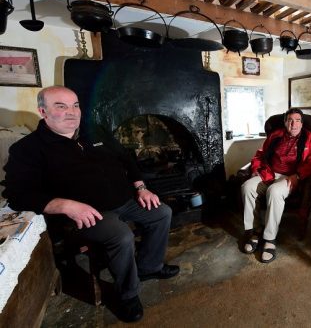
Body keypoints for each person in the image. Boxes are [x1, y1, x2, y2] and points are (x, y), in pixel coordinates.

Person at [2, 86, 179, 323]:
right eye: (61, 106)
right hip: (86, 213)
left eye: (75, 105)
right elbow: (17, 194)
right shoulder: (28, 149)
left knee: (162, 213)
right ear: (43, 111)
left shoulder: (94, 131)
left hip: (125, 199)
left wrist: (141, 187)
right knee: (122, 235)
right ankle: (128, 294)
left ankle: (149, 266)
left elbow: (126, 156)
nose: (72, 112)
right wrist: (65, 205)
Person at [241, 108, 311, 263]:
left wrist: (298, 176)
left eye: (298, 120)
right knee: (247, 187)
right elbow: (260, 154)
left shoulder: (310, 138)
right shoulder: (275, 135)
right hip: (270, 173)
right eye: (290, 120)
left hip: (292, 177)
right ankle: (255, 231)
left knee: (275, 191)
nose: (294, 124)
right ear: (285, 122)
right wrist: (257, 169)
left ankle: (270, 239)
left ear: (302, 123)